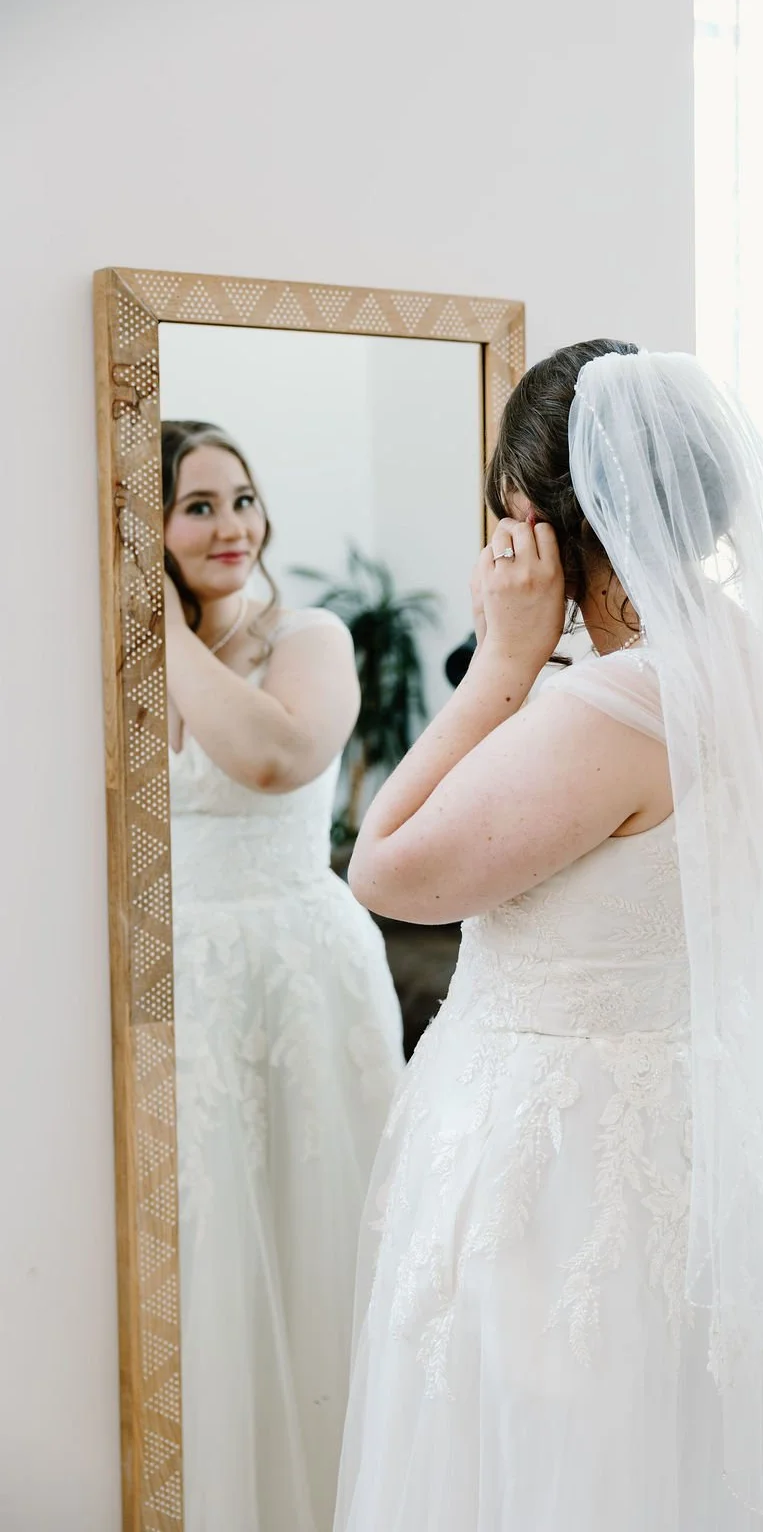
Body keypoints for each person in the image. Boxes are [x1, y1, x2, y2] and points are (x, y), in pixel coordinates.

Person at [333, 343, 763, 1532]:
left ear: (540, 520)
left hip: (567, 1176)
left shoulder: (611, 703)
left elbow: (386, 871)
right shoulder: (733, 652)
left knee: (570, 1475)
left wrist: (502, 665)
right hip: (696, 1129)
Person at [162, 420, 404, 1532]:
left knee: (314, 1244)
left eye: (241, 499)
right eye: (196, 505)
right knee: (211, 1261)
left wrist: (152, 627)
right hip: (180, 981)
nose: (231, 527)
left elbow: (273, 757)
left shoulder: (307, 637)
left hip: (298, 973)